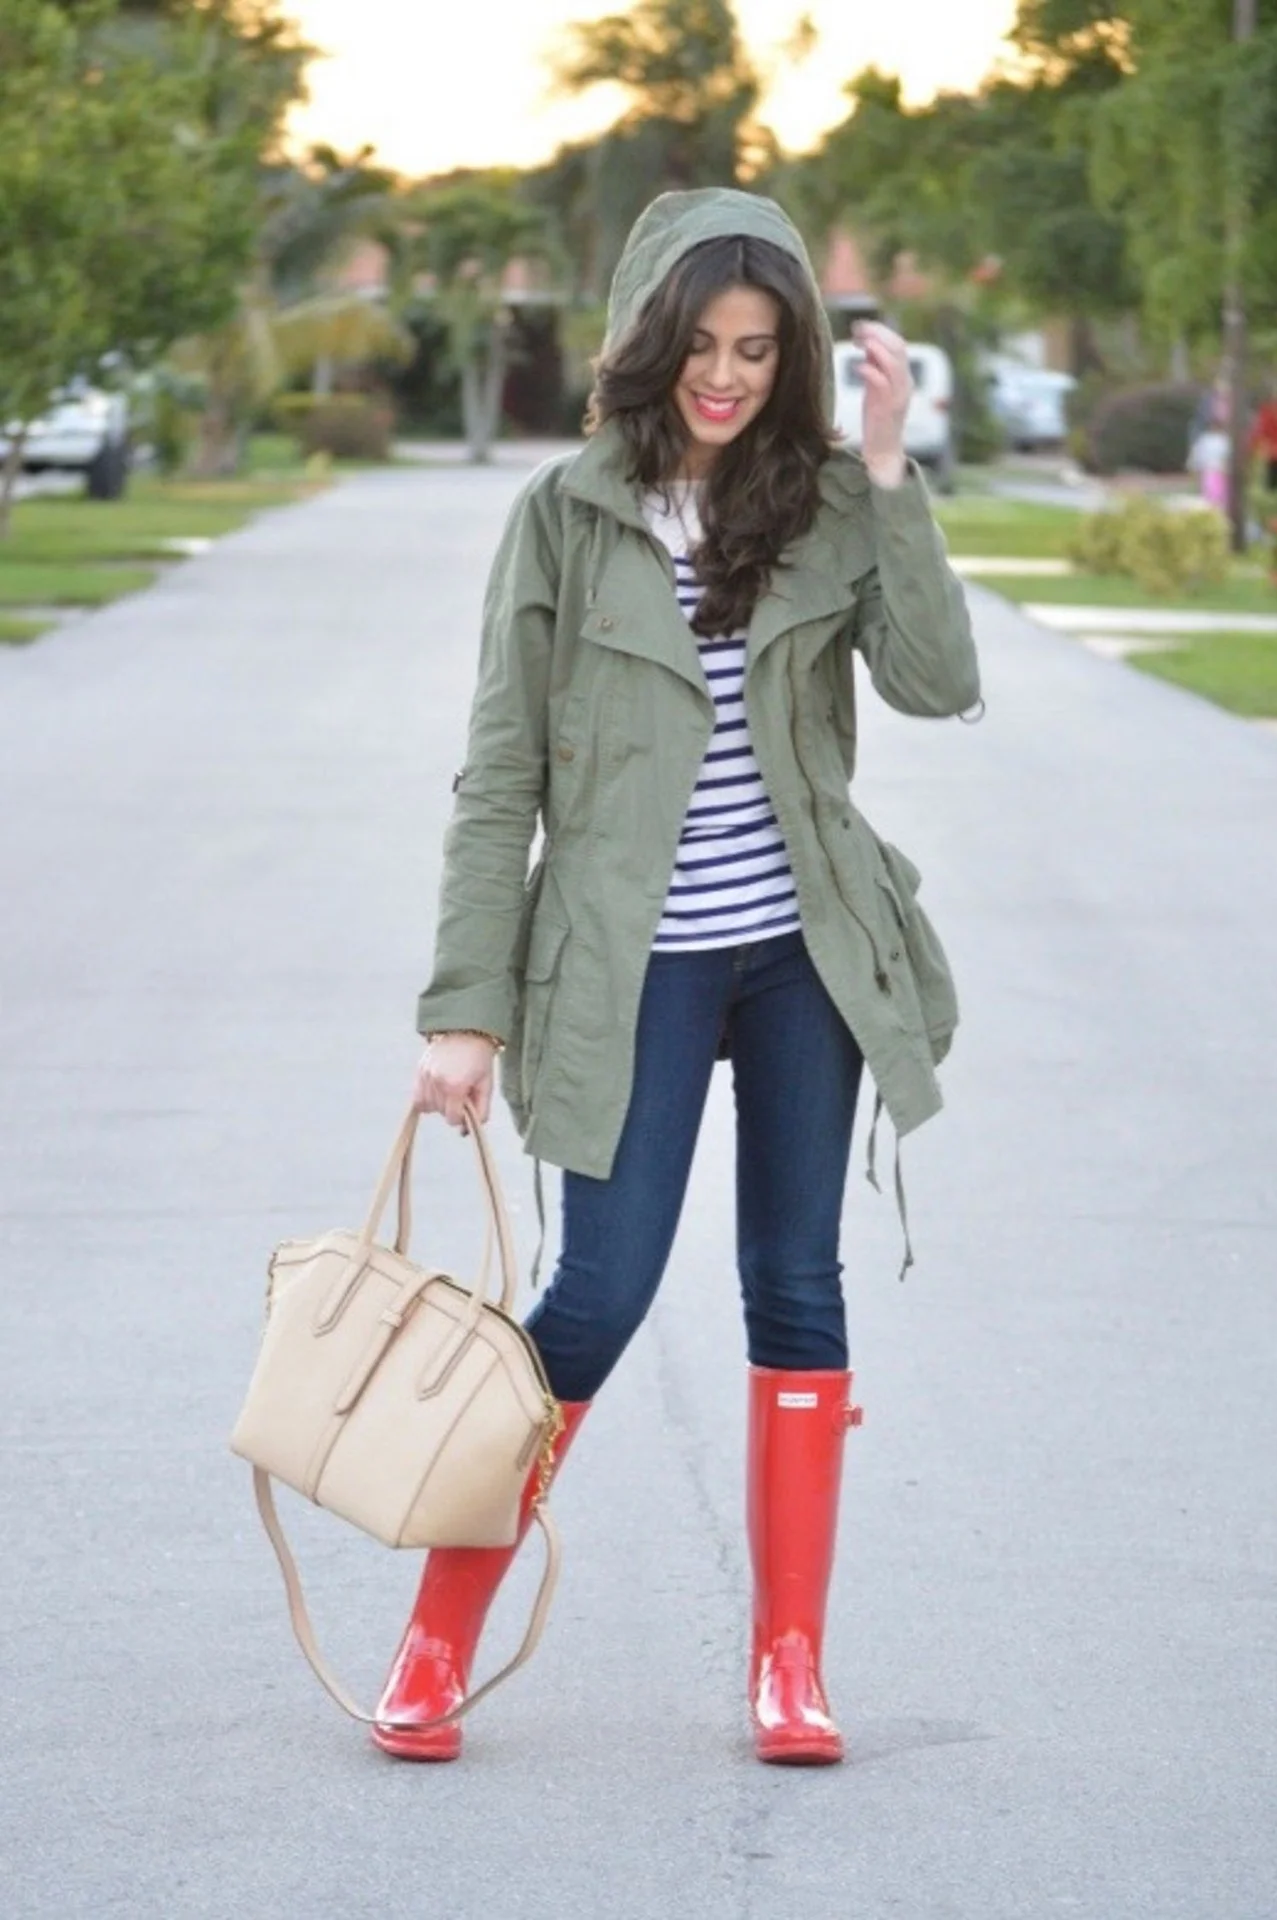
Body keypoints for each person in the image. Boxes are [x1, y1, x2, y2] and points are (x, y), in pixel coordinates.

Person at [373, 189, 981, 1767]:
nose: (726, 375)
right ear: (650, 339)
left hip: (799, 962)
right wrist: (465, 1006)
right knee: (596, 1292)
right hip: (624, 964)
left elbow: (937, 681)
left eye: (757, 349)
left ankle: (790, 1665)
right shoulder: (566, 517)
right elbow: (499, 774)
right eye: (702, 345)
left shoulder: (834, 501)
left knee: (796, 1283)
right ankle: (438, 1640)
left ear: (790, 360)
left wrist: (896, 463)